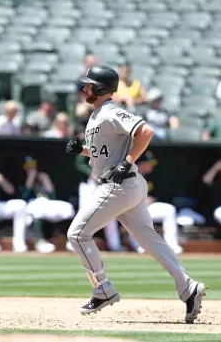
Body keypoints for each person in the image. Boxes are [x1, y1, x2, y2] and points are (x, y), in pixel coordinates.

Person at [65, 65, 206, 323]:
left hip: (118, 185)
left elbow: (146, 132)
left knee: (77, 233)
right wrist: (83, 150)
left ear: (99, 88)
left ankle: (103, 289)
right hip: (127, 185)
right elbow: (107, 154)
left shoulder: (110, 111)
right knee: (150, 241)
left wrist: (128, 160)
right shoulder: (97, 116)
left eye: (88, 84)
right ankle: (188, 288)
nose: (83, 88)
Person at [21, 156, 75, 253]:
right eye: (29, 167)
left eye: (33, 166)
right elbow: (23, 198)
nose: (32, 169)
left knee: (68, 208)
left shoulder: (41, 178)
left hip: (46, 203)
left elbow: (53, 197)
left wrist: (46, 180)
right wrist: (30, 177)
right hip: (31, 205)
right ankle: (40, 241)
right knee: (38, 209)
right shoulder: (22, 178)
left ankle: (70, 241)